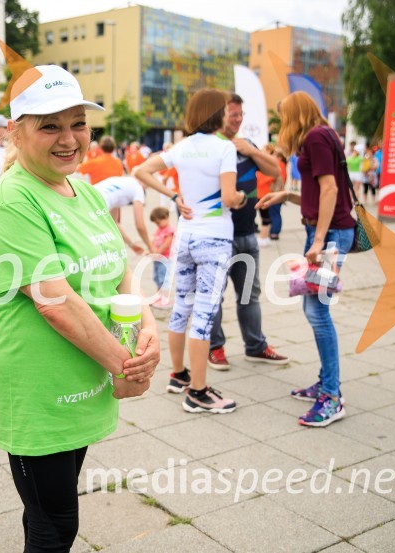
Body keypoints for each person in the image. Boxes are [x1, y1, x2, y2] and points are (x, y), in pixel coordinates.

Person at [0, 64, 158, 552]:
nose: (68, 138)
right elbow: (55, 302)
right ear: (15, 131)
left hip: (83, 378)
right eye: (49, 125)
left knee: (47, 516)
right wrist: (127, 364)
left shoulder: (88, 190)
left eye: (78, 123)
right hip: (38, 388)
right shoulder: (8, 200)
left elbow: (120, 266)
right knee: (57, 523)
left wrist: (149, 326)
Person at [134, 88, 246, 414]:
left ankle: (179, 375)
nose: (228, 114)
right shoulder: (224, 148)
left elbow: (139, 171)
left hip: (184, 238)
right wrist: (241, 197)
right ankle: (198, 392)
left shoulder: (182, 147)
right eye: (225, 110)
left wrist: (173, 197)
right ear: (216, 113)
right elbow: (228, 198)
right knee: (205, 312)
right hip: (214, 238)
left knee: (181, 307)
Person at [256, 91, 355, 427]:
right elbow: (318, 193)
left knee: (317, 311)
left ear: (294, 115)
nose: (282, 123)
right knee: (314, 309)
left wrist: (318, 238)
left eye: (284, 116)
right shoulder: (324, 135)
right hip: (328, 233)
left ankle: (332, 396)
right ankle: (327, 383)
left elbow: (330, 191)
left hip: (329, 236)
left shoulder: (314, 138)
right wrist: (286, 194)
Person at [205, 94, 288, 372]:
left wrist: (250, 151)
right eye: (233, 115)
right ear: (220, 115)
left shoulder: (246, 145)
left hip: (247, 235)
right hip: (218, 237)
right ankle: (214, 348)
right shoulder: (209, 146)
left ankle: (255, 346)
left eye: (241, 115)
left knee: (249, 295)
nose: (238, 120)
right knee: (214, 296)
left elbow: (274, 169)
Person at [93, 176, 153, 255]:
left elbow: (113, 224)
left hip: (88, 196)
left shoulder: (124, 182)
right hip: (96, 205)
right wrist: (151, 247)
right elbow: (140, 225)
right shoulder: (139, 189)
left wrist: (131, 245)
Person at [149, 206, 175, 308]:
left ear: (166, 217)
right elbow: (154, 241)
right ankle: (158, 297)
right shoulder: (159, 230)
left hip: (165, 259)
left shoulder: (170, 230)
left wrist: (158, 252)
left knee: (164, 279)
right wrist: (151, 251)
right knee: (157, 278)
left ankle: (165, 300)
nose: (157, 225)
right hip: (157, 258)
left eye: (158, 222)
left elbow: (166, 244)